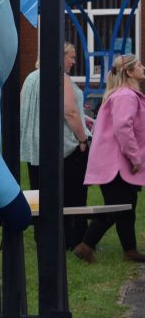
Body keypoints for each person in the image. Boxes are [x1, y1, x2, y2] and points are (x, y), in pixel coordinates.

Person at [19, 42, 93, 249]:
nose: (74, 61)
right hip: (64, 147)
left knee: (40, 193)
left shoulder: (31, 78)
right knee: (73, 194)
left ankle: (44, 237)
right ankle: (73, 239)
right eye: (71, 56)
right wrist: (81, 139)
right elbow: (69, 112)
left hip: (36, 147)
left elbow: (23, 106)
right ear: (60, 58)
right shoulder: (60, 78)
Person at [74, 54, 145, 263]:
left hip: (115, 162)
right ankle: (85, 246)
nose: (143, 67)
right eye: (139, 65)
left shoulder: (124, 94)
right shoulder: (126, 96)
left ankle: (130, 250)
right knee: (117, 207)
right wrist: (135, 158)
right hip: (118, 164)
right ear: (129, 72)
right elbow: (124, 128)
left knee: (127, 206)